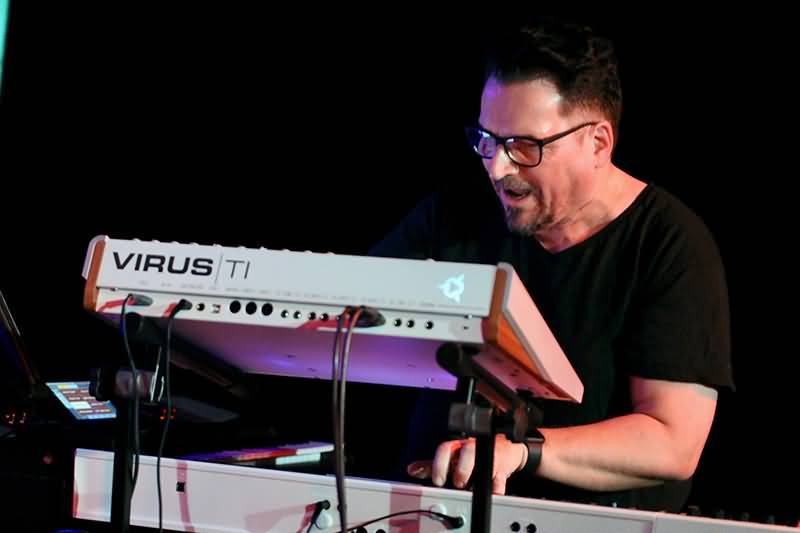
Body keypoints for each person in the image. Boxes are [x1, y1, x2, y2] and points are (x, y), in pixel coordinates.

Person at [368, 17, 734, 512]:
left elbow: (672, 443)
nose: (498, 168)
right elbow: (352, 315)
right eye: (487, 140)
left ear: (598, 143)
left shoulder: (669, 245)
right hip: (430, 513)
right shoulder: (454, 214)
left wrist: (520, 451)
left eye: (525, 147)